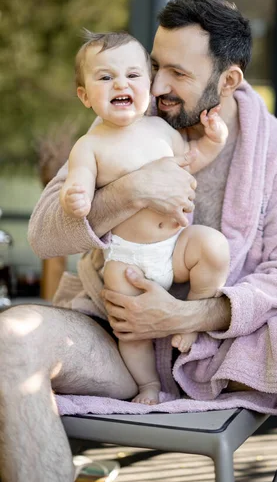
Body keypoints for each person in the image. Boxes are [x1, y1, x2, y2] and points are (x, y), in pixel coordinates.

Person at [0, 0, 277, 482]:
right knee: (10, 337)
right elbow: (43, 234)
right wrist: (129, 191)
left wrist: (190, 314)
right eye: (155, 65)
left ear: (228, 80)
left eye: (178, 74)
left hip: (229, 349)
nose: (156, 85)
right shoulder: (123, 123)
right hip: (118, 335)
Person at [60, 29, 230, 405]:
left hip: (175, 248)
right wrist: (77, 195)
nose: (121, 82)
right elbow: (80, 182)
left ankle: (193, 310)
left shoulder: (160, 130)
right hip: (128, 258)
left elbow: (191, 162)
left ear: (148, 85)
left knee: (213, 246)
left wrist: (213, 142)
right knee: (129, 327)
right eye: (106, 77)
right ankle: (149, 385)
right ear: (86, 96)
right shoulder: (89, 145)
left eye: (133, 75)